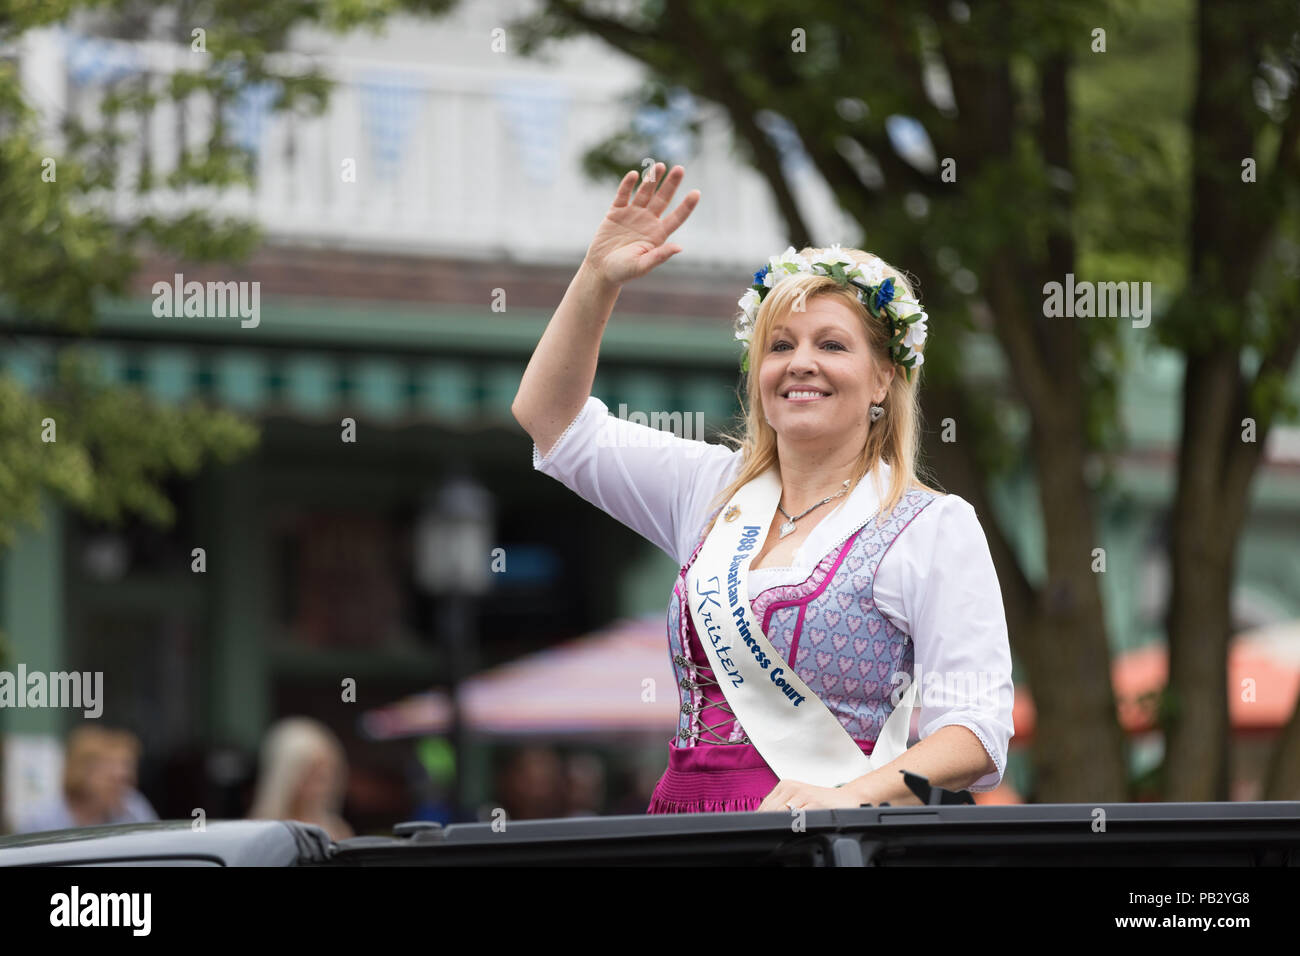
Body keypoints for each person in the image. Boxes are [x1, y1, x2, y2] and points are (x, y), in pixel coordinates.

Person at [512, 163, 1014, 813]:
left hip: (826, 838)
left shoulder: (930, 524)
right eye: (780, 345)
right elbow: (552, 423)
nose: (800, 362)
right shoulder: (709, 488)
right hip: (684, 828)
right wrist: (597, 280)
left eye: (831, 344)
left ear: (883, 377)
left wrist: (849, 797)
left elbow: (976, 731)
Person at [15, 726, 157, 833]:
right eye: (111, 779)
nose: (121, 789)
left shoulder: (133, 810)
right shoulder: (42, 821)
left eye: (125, 780)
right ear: (81, 775)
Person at [247, 717, 354, 839]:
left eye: (327, 776)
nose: (323, 788)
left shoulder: (337, 830)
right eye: (314, 776)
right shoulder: (259, 832)